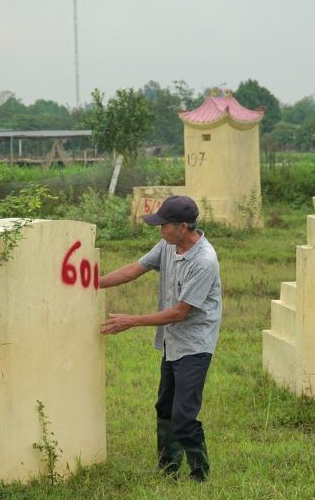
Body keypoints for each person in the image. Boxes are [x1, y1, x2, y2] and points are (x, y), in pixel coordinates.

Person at [99, 195, 222, 482]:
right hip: (171, 342)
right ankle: (168, 467)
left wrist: (132, 321)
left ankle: (200, 474)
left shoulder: (204, 261)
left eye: (164, 225)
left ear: (182, 226)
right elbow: (134, 269)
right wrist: (94, 283)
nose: (160, 230)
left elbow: (180, 313)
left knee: (184, 415)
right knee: (164, 407)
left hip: (194, 344)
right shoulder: (168, 246)